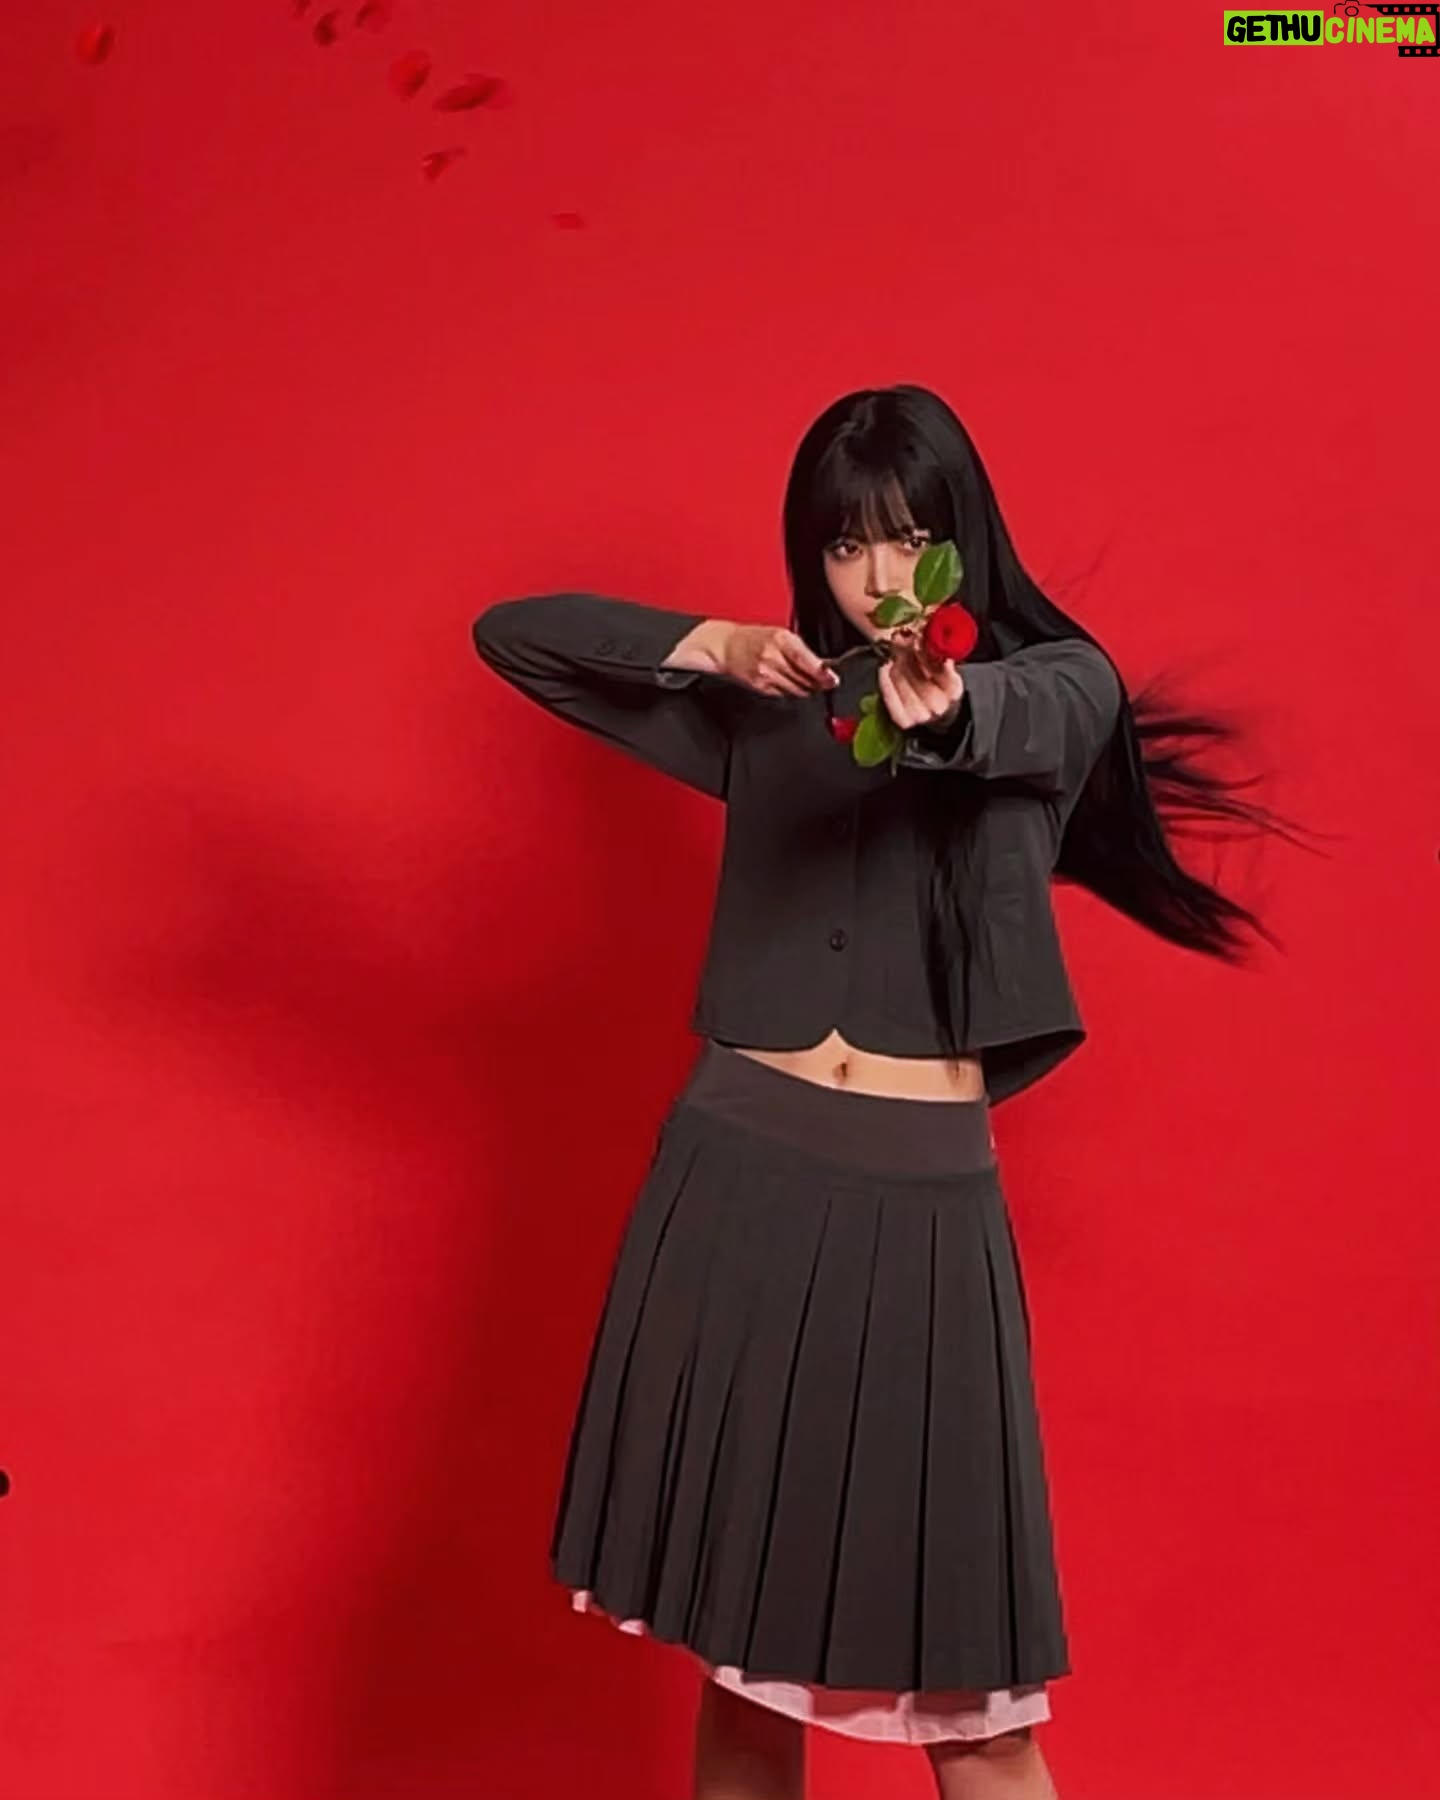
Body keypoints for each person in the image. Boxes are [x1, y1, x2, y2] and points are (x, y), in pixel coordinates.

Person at [469, 384, 1287, 1800]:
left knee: (979, 1714)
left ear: (963, 538)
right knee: (740, 1667)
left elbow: (1027, 710)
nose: (879, 577)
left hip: (918, 1214)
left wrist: (950, 703)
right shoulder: (772, 708)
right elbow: (515, 637)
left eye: (910, 540)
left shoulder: (1055, 690)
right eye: (846, 546)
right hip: (735, 1180)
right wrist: (713, 643)